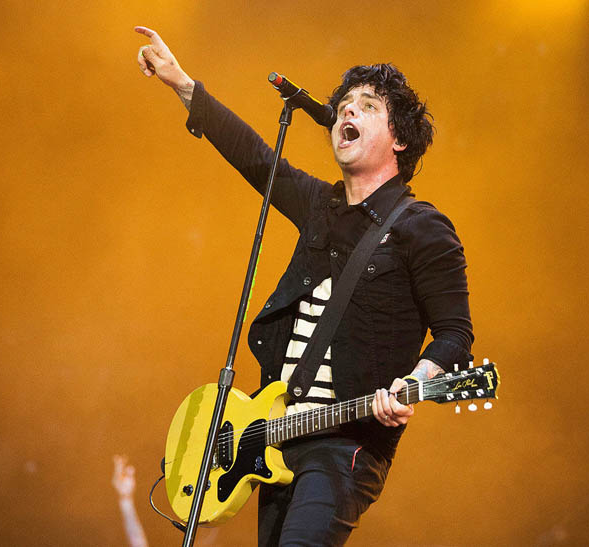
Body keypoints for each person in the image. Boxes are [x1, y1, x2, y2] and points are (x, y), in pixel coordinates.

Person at [134, 26, 474, 546]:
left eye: (366, 106)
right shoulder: (321, 205)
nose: (346, 113)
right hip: (275, 435)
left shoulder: (423, 228)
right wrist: (182, 84)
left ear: (399, 139)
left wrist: (415, 380)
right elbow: (255, 157)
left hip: (346, 443)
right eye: (343, 105)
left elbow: (455, 334)